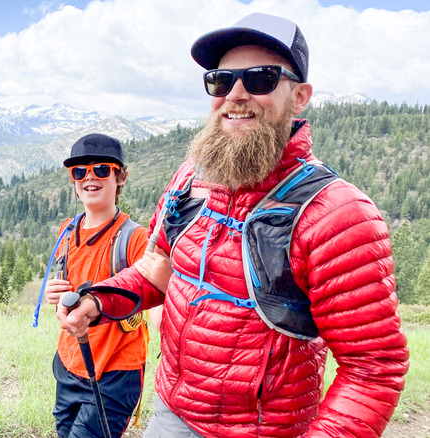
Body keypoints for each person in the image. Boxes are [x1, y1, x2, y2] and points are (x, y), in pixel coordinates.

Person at [57, 13, 409, 438]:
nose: (236, 94)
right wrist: (98, 302)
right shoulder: (190, 178)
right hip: (171, 410)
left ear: (300, 96)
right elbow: (157, 271)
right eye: (221, 80)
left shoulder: (338, 215)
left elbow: (372, 370)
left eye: (260, 78)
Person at [44, 133, 150, 437]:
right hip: (69, 362)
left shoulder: (134, 239)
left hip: (115, 372)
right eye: (79, 172)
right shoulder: (68, 230)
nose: (90, 178)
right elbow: (69, 282)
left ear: (120, 177)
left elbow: (150, 290)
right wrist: (55, 292)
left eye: (101, 169)